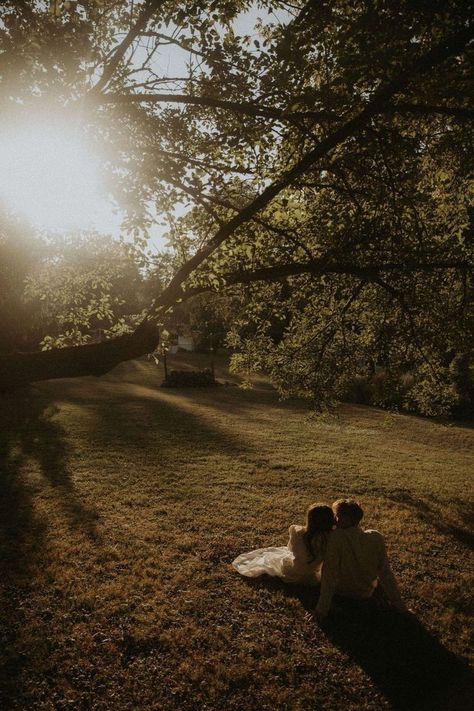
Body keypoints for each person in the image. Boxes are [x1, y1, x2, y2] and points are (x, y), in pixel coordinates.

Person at [315, 498, 408, 618]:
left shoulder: (336, 537)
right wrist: (401, 607)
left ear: (345, 519)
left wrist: (321, 610)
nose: (333, 520)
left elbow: (329, 573)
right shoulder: (375, 537)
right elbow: (385, 573)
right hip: (366, 592)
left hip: (341, 591)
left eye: (335, 516)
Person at [232, 503, 335, 585]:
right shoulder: (331, 537)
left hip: (293, 573)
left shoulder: (299, 532)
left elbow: (291, 549)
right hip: (311, 578)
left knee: (272, 557)